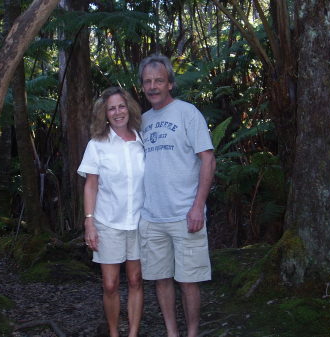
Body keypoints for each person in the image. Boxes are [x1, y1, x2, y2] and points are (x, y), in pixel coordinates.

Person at [138, 54, 216, 337]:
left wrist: (198, 207)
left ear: (170, 83)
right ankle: (172, 333)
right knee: (161, 279)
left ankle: (192, 333)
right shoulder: (142, 121)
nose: (153, 86)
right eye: (147, 81)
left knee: (189, 281)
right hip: (152, 217)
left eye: (159, 80)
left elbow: (208, 160)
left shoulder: (188, 113)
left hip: (186, 214)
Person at [77, 87, 144, 337]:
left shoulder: (142, 141)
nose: (118, 112)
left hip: (138, 222)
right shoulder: (97, 145)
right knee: (110, 284)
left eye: (121, 106)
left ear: (130, 108)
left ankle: (133, 333)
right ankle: (114, 333)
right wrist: (89, 223)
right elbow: (91, 185)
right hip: (108, 223)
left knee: (136, 280)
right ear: (104, 114)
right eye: (112, 108)